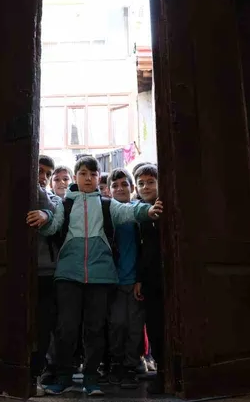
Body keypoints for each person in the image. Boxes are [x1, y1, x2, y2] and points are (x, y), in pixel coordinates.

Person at [26, 156, 163, 396]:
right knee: (66, 328)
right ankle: (64, 377)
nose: (88, 179)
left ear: (98, 177)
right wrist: (45, 218)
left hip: (101, 276)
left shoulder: (108, 204)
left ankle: (91, 378)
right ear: (76, 177)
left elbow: (130, 210)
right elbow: (53, 225)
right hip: (68, 275)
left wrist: (148, 210)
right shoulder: (65, 204)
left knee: (95, 329)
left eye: (92, 174)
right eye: (83, 174)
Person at [105, 168, 144, 389]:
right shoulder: (107, 214)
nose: (120, 188)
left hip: (135, 282)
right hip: (114, 282)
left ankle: (131, 365)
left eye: (124, 184)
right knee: (117, 324)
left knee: (135, 327)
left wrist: (140, 277)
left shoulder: (139, 214)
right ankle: (116, 364)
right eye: (115, 185)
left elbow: (145, 251)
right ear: (109, 191)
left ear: (132, 188)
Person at [134, 163, 164, 393]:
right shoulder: (137, 213)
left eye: (151, 182)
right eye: (141, 183)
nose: (145, 187)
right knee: (154, 325)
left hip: (169, 275)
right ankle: (162, 371)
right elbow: (141, 251)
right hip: (149, 278)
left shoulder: (166, 208)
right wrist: (139, 279)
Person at [34, 155, 60, 395]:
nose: (43, 177)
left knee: (43, 327)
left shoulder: (53, 198)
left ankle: (35, 375)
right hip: (20, 271)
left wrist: (45, 213)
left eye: (47, 174)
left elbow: (53, 213)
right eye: (39, 171)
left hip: (46, 272)